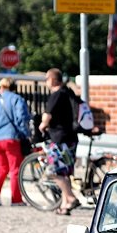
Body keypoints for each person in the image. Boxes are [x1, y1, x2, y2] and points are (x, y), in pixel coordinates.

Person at [39, 68, 81, 215]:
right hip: (71, 139)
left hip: (59, 139)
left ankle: (70, 198)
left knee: (53, 171)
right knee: (64, 173)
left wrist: (42, 126)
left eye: (46, 79)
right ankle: (64, 206)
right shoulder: (68, 92)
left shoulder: (56, 95)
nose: (46, 82)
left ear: (52, 79)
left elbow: (47, 116)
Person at [0, 77, 31, 207]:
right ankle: (16, 199)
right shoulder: (17, 99)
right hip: (11, 138)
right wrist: (25, 135)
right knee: (15, 169)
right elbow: (21, 119)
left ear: (1, 87)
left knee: (2, 167)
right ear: (13, 88)